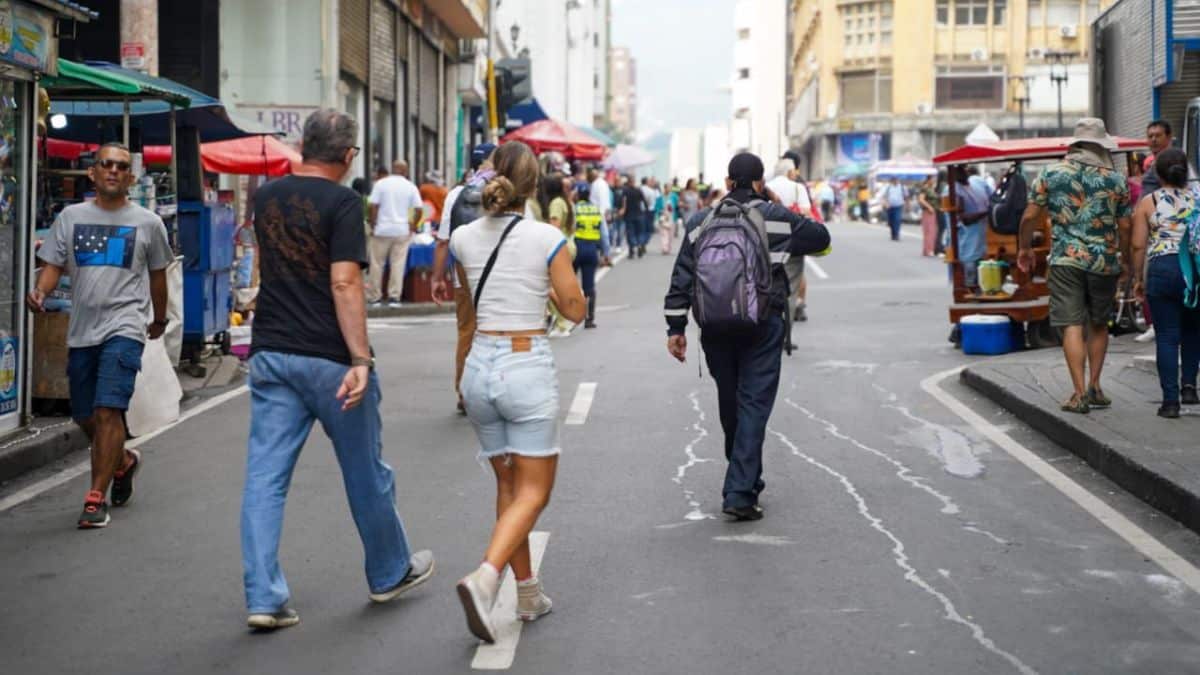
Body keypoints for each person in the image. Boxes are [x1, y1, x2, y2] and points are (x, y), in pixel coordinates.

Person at [240, 109, 434, 629]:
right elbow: (345, 283)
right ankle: (390, 571)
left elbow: (270, 266)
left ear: (304, 146)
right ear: (347, 157)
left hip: (271, 352)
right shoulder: (344, 202)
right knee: (365, 471)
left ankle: (263, 597)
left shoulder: (264, 197)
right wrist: (361, 359)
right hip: (329, 359)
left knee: (265, 479)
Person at [449, 141, 586, 644]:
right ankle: (486, 580)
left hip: (479, 369)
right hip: (524, 364)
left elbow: (469, 298)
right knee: (535, 491)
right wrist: (553, 291)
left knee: (508, 488)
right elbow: (574, 310)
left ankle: (527, 592)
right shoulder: (545, 237)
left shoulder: (462, 237)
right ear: (533, 186)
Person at [663, 152, 831, 521]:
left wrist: (676, 328)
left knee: (731, 401)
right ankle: (739, 490)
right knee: (754, 403)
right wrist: (777, 203)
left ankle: (744, 478)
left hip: (714, 327)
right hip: (762, 324)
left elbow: (681, 278)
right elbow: (821, 238)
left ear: (726, 183)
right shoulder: (773, 217)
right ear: (759, 182)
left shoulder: (699, 221)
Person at [27, 142, 172, 529]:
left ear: (131, 177)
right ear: (92, 173)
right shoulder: (70, 217)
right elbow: (53, 265)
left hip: (125, 327)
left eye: (121, 166)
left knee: (109, 410)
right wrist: (41, 290)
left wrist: (158, 318)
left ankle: (95, 498)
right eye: (106, 164)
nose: (113, 170)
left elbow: (158, 274)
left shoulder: (147, 223)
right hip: (82, 330)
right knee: (84, 413)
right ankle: (122, 462)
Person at [1018, 117, 1133, 414]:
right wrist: (1125, 260)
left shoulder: (1051, 173)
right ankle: (1095, 386)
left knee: (1071, 323)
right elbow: (1125, 226)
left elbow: (1030, 216)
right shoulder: (1115, 180)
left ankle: (1078, 393)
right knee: (1098, 323)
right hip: (1103, 261)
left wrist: (1025, 248)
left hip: (1066, 260)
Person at [1130, 148, 1200, 418]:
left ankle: (1170, 402)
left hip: (1162, 269)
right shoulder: (1197, 199)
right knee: (1193, 332)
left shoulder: (1150, 202)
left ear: (1158, 174)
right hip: (1192, 271)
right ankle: (1190, 387)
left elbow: (1138, 245)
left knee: (1167, 337)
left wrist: (1138, 278)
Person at [434, 142, 497, 414]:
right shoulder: (503, 191)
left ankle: (463, 391)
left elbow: (443, 241)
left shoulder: (456, 194)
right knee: (496, 327)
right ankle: (493, 389)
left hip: (462, 268)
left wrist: (437, 278)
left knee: (467, 329)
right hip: (497, 269)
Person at [367, 160, 424, 308]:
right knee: (397, 264)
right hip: (401, 230)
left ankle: (375, 297)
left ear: (393, 169)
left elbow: (372, 205)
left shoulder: (381, 184)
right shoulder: (410, 186)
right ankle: (394, 297)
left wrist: (373, 224)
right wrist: (413, 224)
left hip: (382, 229)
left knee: (376, 264)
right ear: (405, 171)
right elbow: (419, 209)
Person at [766, 158, 813, 324]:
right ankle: (786, 334)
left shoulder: (767, 187)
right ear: (790, 172)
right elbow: (806, 213)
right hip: (791, 243)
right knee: (791, 289)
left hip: (768, 243)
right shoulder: (797, 188)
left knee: (767, 286)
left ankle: (771, 329)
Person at [573, 182, 611, 328]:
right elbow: (604, 234)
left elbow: (570, 229)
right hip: (591, 250)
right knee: (589, 287)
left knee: (570, 282)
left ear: (578, 194)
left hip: (577, 248)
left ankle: (569, 315)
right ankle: (589, 319)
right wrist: (606, 253)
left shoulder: (575, 209)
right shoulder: (596, 210)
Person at [956, 168, 991, 288]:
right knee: (969, 267)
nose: (963, 170)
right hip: (967, 239)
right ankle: (968, 290)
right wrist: (985, 213)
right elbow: (965, 219)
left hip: (982, 237)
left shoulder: (977, 182)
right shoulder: (955, 189)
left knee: (980, 264)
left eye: (964, 168)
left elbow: (993, 198)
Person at [1140, 120, 1174, 195]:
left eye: (1158, 135)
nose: (1153, 139)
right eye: (1150, 136)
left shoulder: (1176, 163)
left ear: (1168, 137)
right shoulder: (1151, 165)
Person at [917, 176, 939, 257]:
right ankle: (928, 250)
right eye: (933, 179)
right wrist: (929, 207)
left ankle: (928, 249)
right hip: (928, 211)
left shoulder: (932, 188)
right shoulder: (925, 188)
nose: (934, 181)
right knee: (929, 231)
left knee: (933, 231)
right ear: (929, 180)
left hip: (933, 211)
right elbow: (921, 199)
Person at [883, 177, 907, 241]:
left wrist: (907, 205)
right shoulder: (888, 187)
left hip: (898, 206)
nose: (895, 181)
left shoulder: (902, 187)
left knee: (897, 220)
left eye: (896, 180)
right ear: (892, 181)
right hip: (890, 206)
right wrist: (886, 203)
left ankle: (896, 235)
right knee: (891, 221)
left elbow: (906, 196)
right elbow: (884, 196)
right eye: (894, 180)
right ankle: (893, 233)